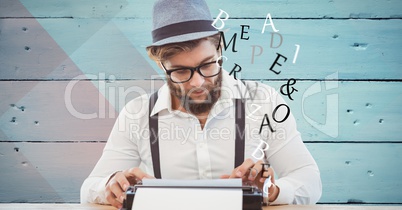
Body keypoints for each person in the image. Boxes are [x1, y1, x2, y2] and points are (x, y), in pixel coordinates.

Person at [80, 0, 322, 208]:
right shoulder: (137, 113)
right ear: (160, 65)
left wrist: (271, 190)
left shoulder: (264, 101)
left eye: (207, 65)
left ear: (220, 48)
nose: (197, 82)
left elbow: (309, 180)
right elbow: (89, 189)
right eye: (181, 71)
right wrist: (111, 185)